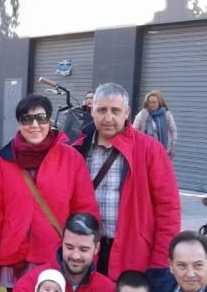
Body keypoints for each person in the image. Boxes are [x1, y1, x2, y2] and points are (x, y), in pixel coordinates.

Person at [0, 94, 98, 292]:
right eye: (27, 119)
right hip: (15, 256)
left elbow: (85, 210)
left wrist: (87, 251)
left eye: (41, 118)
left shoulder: (71, 158)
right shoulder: (4, 160)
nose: (35, 125)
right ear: (19, 123)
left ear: (49, 120)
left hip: (55, 254)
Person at [73, 83, 180, 279]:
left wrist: (160, 262)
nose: (108, 118)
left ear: (127, 112)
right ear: (92, 110)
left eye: (115, 110)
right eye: (102, 110)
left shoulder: (150, 149)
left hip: (133, 254)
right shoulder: (78, 149)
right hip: (86, 254)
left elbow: (168, 209)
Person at [132, 90, 177, 158]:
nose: (152, 104)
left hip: (163, 151)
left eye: (154, 102)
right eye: (150, 102)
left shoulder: (166, 114)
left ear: (159, 102)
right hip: (145, 151)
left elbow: (173, 130)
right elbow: (134, 130)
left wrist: (173, 146)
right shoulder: (142, 114)